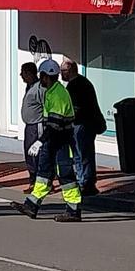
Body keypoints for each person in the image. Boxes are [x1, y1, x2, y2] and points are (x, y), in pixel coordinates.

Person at [13, 59, 82, 222]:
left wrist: (40, 141)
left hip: (61, 140)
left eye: (42, 76)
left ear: (46, 76)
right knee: (44, 173)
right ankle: (32, 205)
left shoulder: (57, 94)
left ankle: (73, 210)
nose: (40, 79)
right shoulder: (52, 91)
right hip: (56, 140)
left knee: (65, 175)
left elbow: (54, 124)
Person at [62, 59, 106, 196]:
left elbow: (76, 108)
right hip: (87, 124)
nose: (60, 74)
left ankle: (85, 183)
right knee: (83, 154)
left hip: (81, 124)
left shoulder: (75, 86)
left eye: (62, 71)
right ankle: (87, 181)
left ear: (70, 71)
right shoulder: (83, 83)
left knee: (81, 154)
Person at [18, 62, 44, 192]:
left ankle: (40, 182)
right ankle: (33, 180)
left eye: (22, 72)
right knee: (29, 153)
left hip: (37, 125)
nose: (21, 75)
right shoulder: (29, 86)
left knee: (36, 154)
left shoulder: (39, 88)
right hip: (29, 125)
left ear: (29, 73)